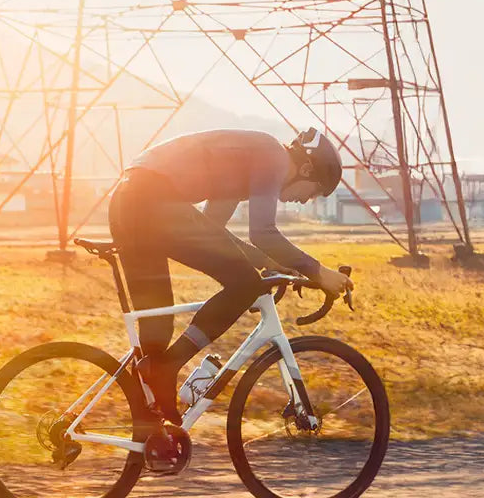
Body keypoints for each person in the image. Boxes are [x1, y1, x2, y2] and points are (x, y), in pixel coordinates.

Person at [108, 127, 353, 426]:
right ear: (305, 169)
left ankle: (149, 432)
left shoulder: (244, 166)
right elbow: (262, 233)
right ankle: (169, 367)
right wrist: (318, 271)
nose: (307, 200)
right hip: (153, 200)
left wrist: (271, 261)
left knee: (157, 328)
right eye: (315, 191)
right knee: (246, 283)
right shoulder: (274, 156)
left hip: (127, 202)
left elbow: (211, 230)